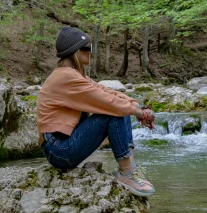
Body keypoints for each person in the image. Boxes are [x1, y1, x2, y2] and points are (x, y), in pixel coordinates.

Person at [36, 26, 156, 197]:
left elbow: (106, 92)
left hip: (61, 145)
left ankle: (130, 170)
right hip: (59, 150)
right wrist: (139, 113)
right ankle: (127, 173)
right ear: (77, 52)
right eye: (89, 48)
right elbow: (107, 102)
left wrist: (136, 106)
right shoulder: (66, 77)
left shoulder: (74, 75)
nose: (91, 52)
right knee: (113, 111)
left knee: (117, 108)